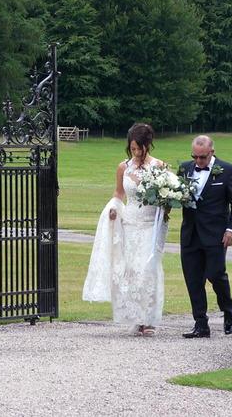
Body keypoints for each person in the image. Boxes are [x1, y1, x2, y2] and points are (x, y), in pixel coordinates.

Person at [81, 123, 168, 335]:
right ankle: (137, 317)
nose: (136, 152)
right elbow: (119, 193)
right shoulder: (123, 167)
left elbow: (165, 196)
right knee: (130, 269)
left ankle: (149, 319)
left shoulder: (159, 166)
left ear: (148, 145)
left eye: (139, 148)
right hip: (130, 222)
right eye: (132, 148)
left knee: (147, 268)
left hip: (150, 224)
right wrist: (114, 208)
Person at [179, 134, 232, 337]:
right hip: (190, 233)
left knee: (216, 275)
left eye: (203, 157)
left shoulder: (228, 170)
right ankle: (201, 324)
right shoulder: (184, 169)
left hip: (216, 234)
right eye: (195, 157)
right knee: (193, 279)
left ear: (212, 152)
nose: (198, 161)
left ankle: (228, 310)